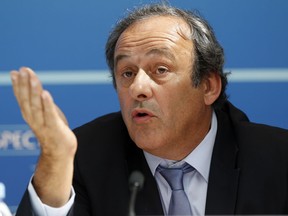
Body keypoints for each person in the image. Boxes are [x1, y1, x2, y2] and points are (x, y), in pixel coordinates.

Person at [10, 3, 288, 216]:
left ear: (207, 86)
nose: (138, 88)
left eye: (161, 70)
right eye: (127, 73)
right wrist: (56, 158)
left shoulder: (276, 160)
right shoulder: (85, 157)